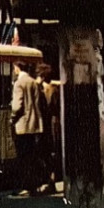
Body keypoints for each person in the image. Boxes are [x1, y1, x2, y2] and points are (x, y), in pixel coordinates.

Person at [9, 60, 44, 197]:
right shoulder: (33, 82)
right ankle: (34, 186)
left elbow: (17, 106)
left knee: (23, 158)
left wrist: (12, 117)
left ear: (17, 68)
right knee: (32, 156)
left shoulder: (19, 83)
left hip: (22, 125)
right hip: (34, 124)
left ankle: (26, 186)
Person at [35, 62, 62, 194]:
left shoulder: (44, 90)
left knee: (47, 152)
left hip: (48, 124)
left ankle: (49, 180)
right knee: (51, 152)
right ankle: (51, 179)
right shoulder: (53, 89)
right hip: (52, 123)